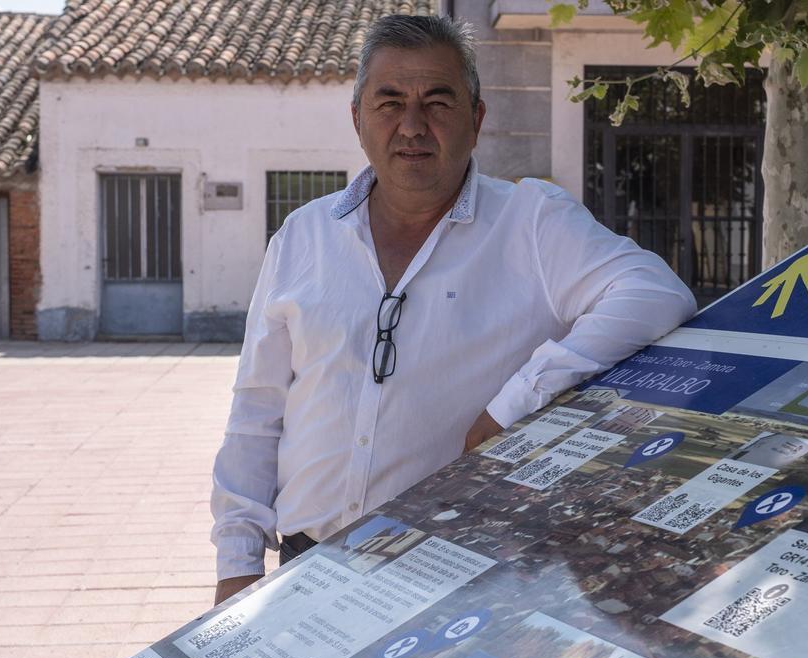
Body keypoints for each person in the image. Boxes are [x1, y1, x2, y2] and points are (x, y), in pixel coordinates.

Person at [211, 14, 696, 605]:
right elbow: (257, 410)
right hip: (305, 565)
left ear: (477, 118)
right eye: (389, 102)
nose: (412, 125)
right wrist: (237, 567)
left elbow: (654, 293)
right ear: (358, 116)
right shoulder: (303, 235)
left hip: (454, 579)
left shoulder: (531, 222)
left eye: (438, 102)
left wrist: (518, 401)